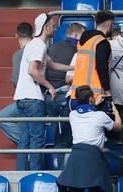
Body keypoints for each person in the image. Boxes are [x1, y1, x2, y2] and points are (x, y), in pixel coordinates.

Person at [57, 85, 122, 192]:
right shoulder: (100, 116)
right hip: (92, 158)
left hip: (76, 158)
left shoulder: (73, 115)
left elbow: (81, 108)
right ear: (91, 98)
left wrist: (93, 103)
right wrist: (116, 112)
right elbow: (117, 127)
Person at [14, 13, 73, 171]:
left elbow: (53, 65)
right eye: (53, 26)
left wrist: (76, 67)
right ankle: (34, 174)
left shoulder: (33, 44)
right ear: (46, 27)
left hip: (21, 98)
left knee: (24, 140)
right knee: (37, 140)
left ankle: (20, 174)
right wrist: (50, 86)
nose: (55, 28)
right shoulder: (40, 46)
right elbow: (32, 70)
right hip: (33, 99)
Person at [45, 22, 86, 168]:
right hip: (65, 96)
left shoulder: (52, 48)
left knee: (58, 134)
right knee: (67, 137)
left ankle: (60, 169)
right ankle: (65, 171)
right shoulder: (79, 51)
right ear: (75, 35)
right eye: (82, 36)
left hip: (50, 96)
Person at [0, 22, 33, 144]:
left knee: (1, 118)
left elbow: (15, 80)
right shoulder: (42, 48)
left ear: (16, 35)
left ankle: (26, 143)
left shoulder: (18, 54)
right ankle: (28, 143)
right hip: (41, 97)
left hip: (28, 100)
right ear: (32, 34)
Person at [70, 10, 114, 102]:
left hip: (77, 94)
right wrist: (107, 90)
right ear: (110, 24)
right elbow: (101, 67)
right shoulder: (102, 42)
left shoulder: (83, 40)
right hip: (94, 96)